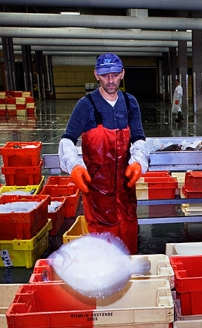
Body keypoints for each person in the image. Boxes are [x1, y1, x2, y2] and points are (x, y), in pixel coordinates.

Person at [58, 53, 149, 254]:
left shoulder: (130, 102)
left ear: (122, 74)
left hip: (125, 189)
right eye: (105, 75)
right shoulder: (85, 105)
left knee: (128, 236)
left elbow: (138, 138)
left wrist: (138, 161)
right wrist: (74, 165)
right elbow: (68, 139)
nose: (110, 80)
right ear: (96, 75)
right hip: (97, 192)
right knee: (103, 246)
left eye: (115, 74)